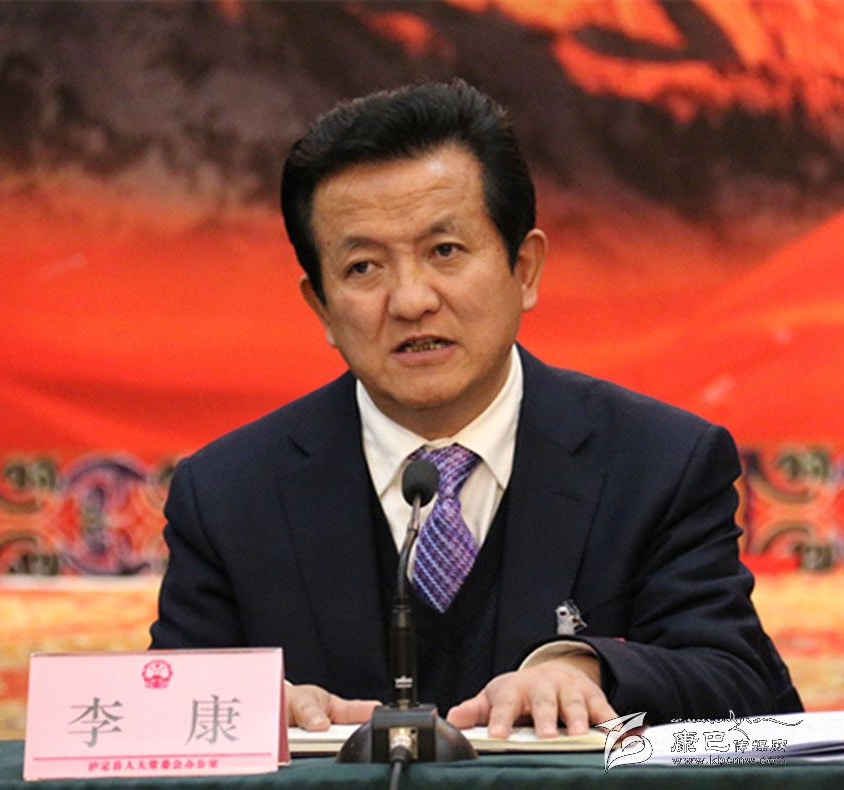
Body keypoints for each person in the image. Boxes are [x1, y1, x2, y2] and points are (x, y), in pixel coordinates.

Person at [150, 80, 802, 739]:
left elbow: (746, 694)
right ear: (320, 306)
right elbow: (157, 716)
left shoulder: (660, 463)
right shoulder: (229, 494)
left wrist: (592, 669)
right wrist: (241, 709)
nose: (411, 301)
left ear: (525, 268)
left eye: (444, 252)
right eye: (364, 267)